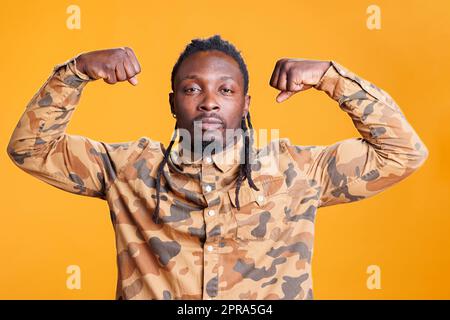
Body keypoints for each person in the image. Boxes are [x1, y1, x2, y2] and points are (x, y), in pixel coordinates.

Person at [6, 34, 428, 300]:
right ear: (173, 103)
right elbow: (31, 150)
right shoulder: (130, 169)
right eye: (192, 89)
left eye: (226, 90)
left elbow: (403, 153)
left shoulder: (295, 170)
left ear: (245, 104)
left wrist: (330, 77)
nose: (209, 101)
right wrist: (75, 72)